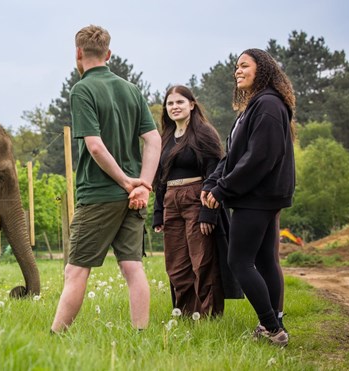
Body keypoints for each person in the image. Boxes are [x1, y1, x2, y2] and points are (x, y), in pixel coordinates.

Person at [50, 25, 161, 333]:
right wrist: (144, 184)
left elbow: (95, 146)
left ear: (78, 53)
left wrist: (127, 182)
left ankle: (55, 336)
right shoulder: (131, 89)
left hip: (99, 194)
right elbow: (154, 140)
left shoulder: (82, 89)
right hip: (133, 197)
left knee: (75, 271)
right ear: (109, 54)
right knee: (132, 266)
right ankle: (141, 334)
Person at [201, 48, 296, 347]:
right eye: (236, 67)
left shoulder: (267, 104)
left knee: (239, 261)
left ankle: (272, 328)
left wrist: (224, 189)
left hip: (256, 195)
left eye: (244, 65)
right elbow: (234, 155)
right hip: (260, 195)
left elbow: (260, 158)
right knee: (265, 260)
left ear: (262, 69)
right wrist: (214, 180)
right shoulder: (256, 105)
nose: (237, 71)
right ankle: (273, 323)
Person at [151, 85, 227, 317]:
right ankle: (186, 314)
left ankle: (209, 316)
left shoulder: (204, 133)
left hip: (197, 198)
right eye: (170, 103)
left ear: (192, 105)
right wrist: (158, 211)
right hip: (170, 201)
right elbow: (159, 177)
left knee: (201, 260)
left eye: (180, 102)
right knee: (176, 263)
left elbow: (216, 173)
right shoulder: (164, 137)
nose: (174, 107)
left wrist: (208, 212)